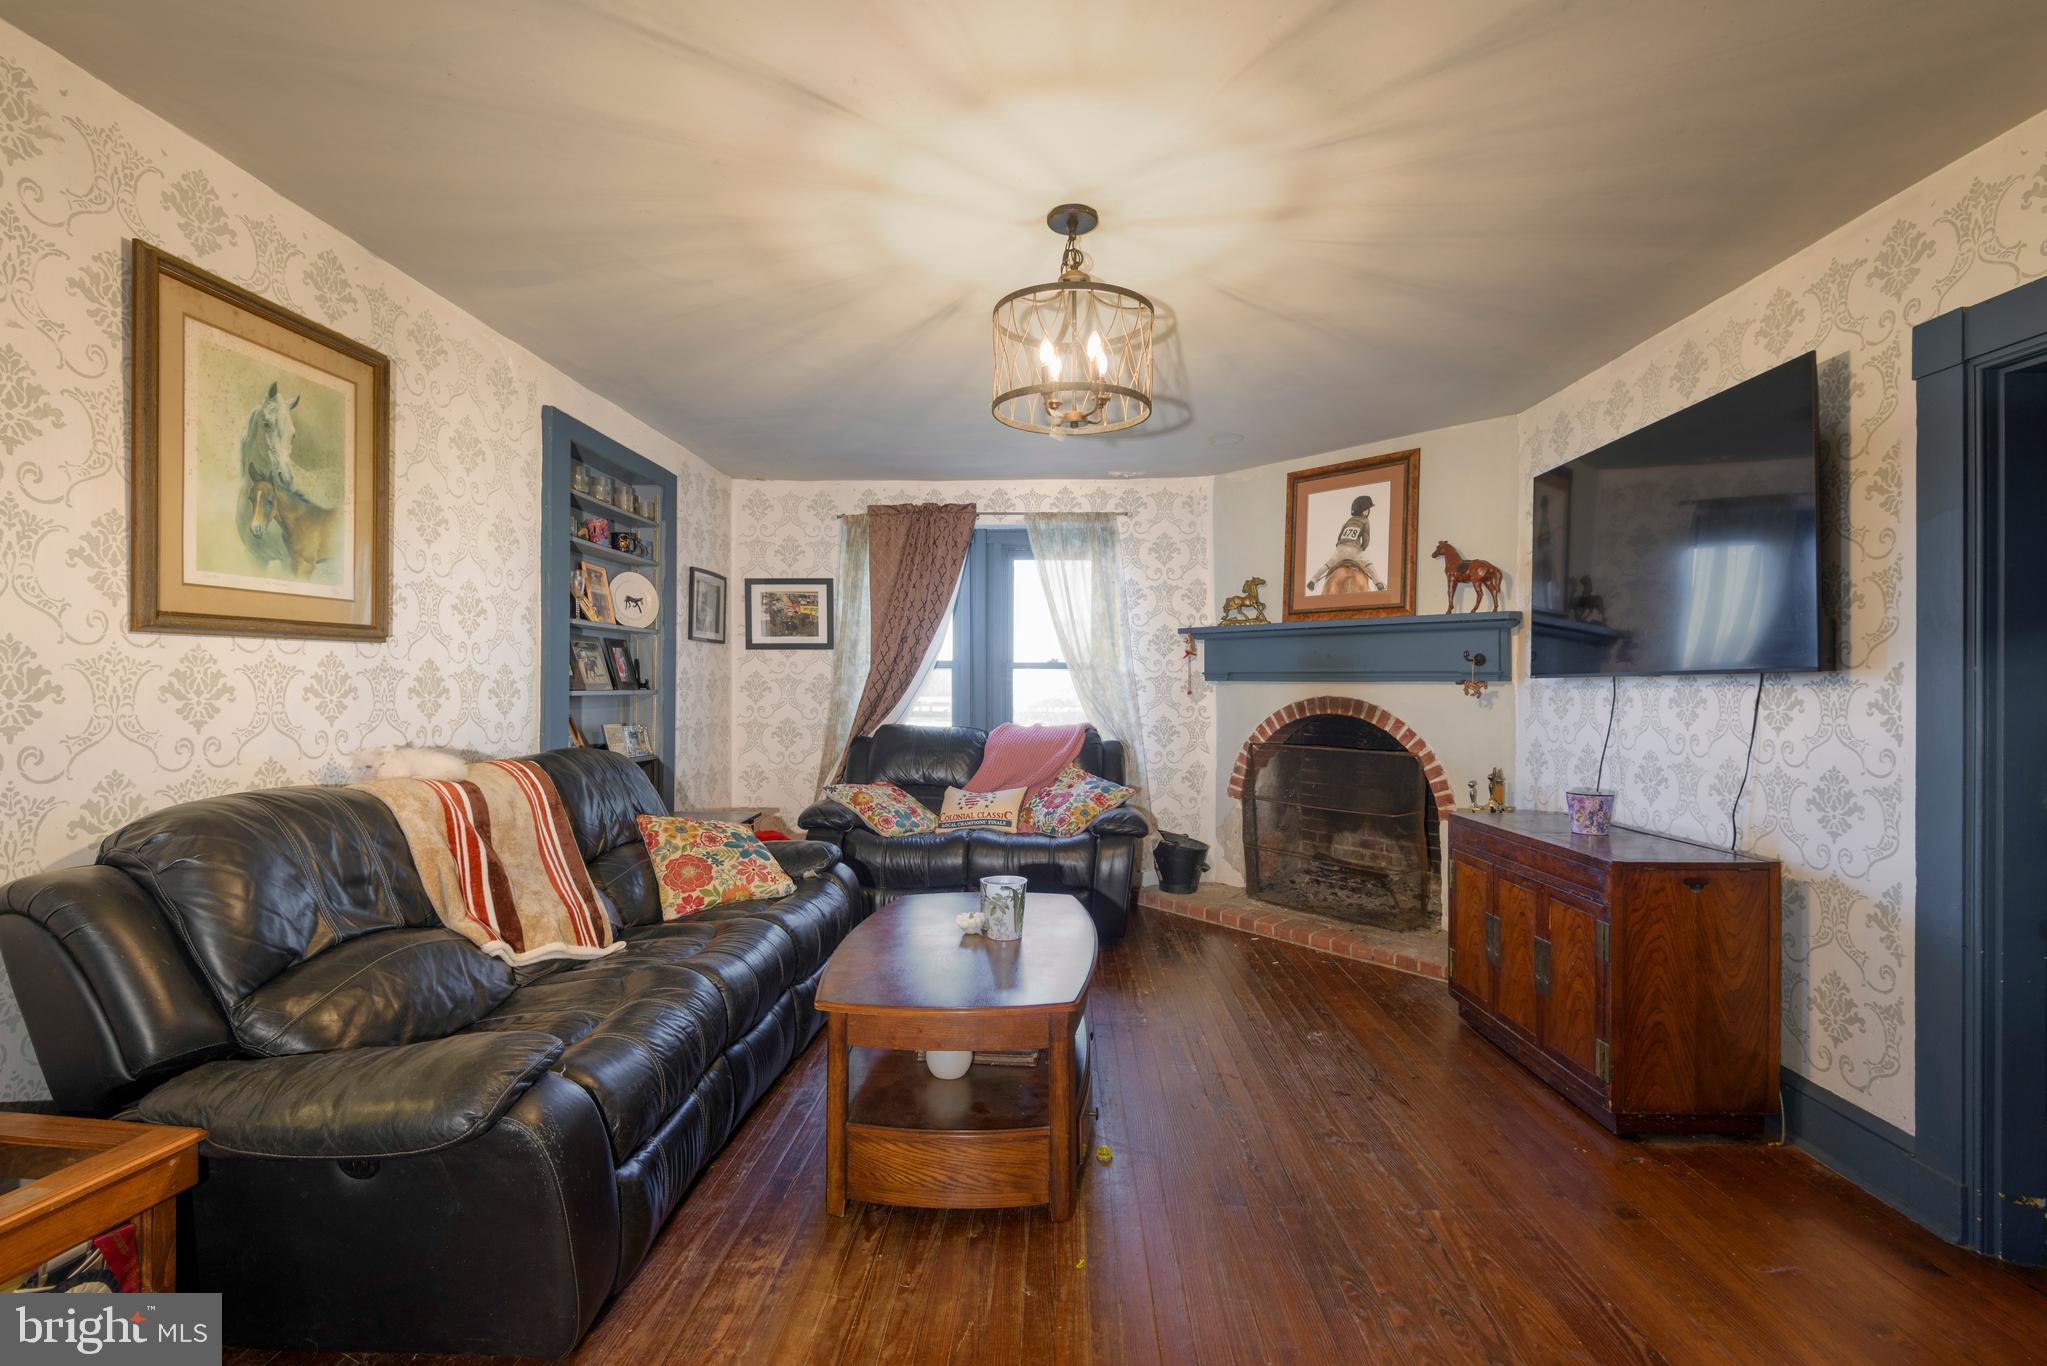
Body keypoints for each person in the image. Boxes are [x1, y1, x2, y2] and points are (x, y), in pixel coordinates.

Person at [1305, 494, 1386, 594]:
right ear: (1365, 510)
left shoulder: (1348, 521)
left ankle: (1313, 580)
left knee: (1327, 565)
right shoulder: (1365, 520)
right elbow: (1366, 537)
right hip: (1354, 550)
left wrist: (1340, 546)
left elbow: (1339, 536)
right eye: (1368, 509)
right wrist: (1363, 547)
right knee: (1369, 565)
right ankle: (1378, 583)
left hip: (1341, 549)